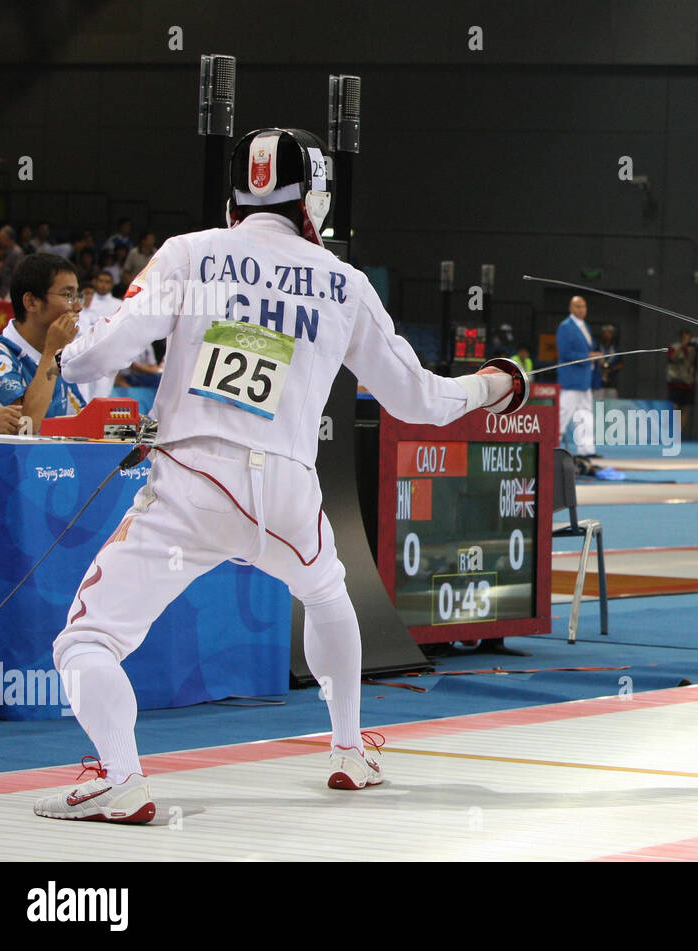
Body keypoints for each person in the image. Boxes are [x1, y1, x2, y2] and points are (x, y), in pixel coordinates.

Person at [32, 127, 522, 823]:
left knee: (85, 641)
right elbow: (418, 399)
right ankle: (349, 750)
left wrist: (72, 356)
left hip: (190, 486)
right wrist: (494, 384)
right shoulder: (343, 283)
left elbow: (97, 356)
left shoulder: (190, 252)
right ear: (310, 201)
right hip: (287, 494)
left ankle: (121, 777)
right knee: (326, 590)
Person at [0, 253, 85, 432]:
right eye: (67, 295)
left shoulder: (60, 355)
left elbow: (80, 419)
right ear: (31, 302)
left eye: (77, 296)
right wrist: (51, 352)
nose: (77, 307)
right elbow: (27, 425)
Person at [555, 295, 601, 469]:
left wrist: (593, 356)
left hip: (584, 379)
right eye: (578, 306)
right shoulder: (566, 327)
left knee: (585, 413)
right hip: (571, 379)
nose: (582, 310)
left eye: (584, 306)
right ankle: (552, 444)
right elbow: (565, 354)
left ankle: (586, 448)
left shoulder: (585, 326)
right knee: (564, 412)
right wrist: (588, 357)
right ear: (571, 308)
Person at [666, 328, 698, 437]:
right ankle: (672, 429)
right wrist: (681, 347)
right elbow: (671, 358)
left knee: (685, 408)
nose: (687, 340)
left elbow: (697, 364)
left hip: (688, 381)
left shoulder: (692, 350)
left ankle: (679, 432)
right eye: (684, 338)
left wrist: (695, 352)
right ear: (681, 338)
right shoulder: (673, 347)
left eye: (688, 338)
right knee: (675, 406)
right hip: (676, 381)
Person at [592, 324, 622, 401]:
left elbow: (621, 364)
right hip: (598, 382)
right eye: (605, 333)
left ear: (613, 334)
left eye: (609, 333)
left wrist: (610, 369)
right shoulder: (598, 347)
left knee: (612, 406)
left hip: (612, 382)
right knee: (597, 404)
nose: (607, 335)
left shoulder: (616, 349)